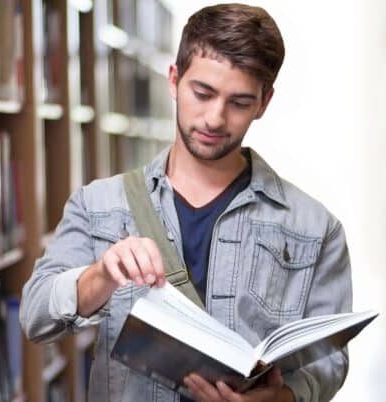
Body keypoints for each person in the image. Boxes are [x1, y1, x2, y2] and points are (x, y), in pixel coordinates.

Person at [19, 3, 353, 401]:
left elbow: (329, 362)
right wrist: (101, 276)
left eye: (239, 102)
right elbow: (35, 316)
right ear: (174, 80)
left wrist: (281, 399)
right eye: (203, 93)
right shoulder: (99, 205)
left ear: (264, 103)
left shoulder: (316, 228)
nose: (215, 118)